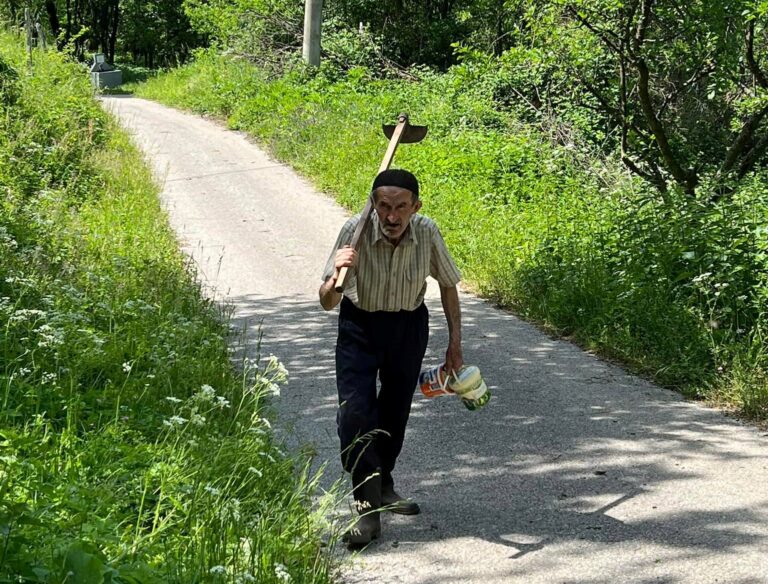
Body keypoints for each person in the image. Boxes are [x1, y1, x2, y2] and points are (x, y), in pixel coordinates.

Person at [319, 168, 464, 547]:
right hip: (359, 326)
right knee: (355, 414)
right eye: (384, 206)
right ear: (373, 205)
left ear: (416, 206)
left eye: (401, 207)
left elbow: (447, 284)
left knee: (394, 413)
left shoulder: (427, 232)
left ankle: (383, 483)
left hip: (407, 326)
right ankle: (367, 509)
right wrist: (337, 273)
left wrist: (455, 343)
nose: (392, 216)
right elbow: (326, 302)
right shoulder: (354, 231)